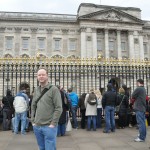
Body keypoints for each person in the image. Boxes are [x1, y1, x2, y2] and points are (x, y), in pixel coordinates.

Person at [31, 68, 62, 150]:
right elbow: (33, 105)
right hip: (37, 125)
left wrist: (53, 123)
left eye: (43, 74)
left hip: (48, 126)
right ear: (37, 77)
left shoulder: (54, 89)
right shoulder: (36, 89)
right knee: (41, 148)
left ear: (47, 76)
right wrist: (33, 121)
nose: (41, 76)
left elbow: (58, 108)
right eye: (39, 75)